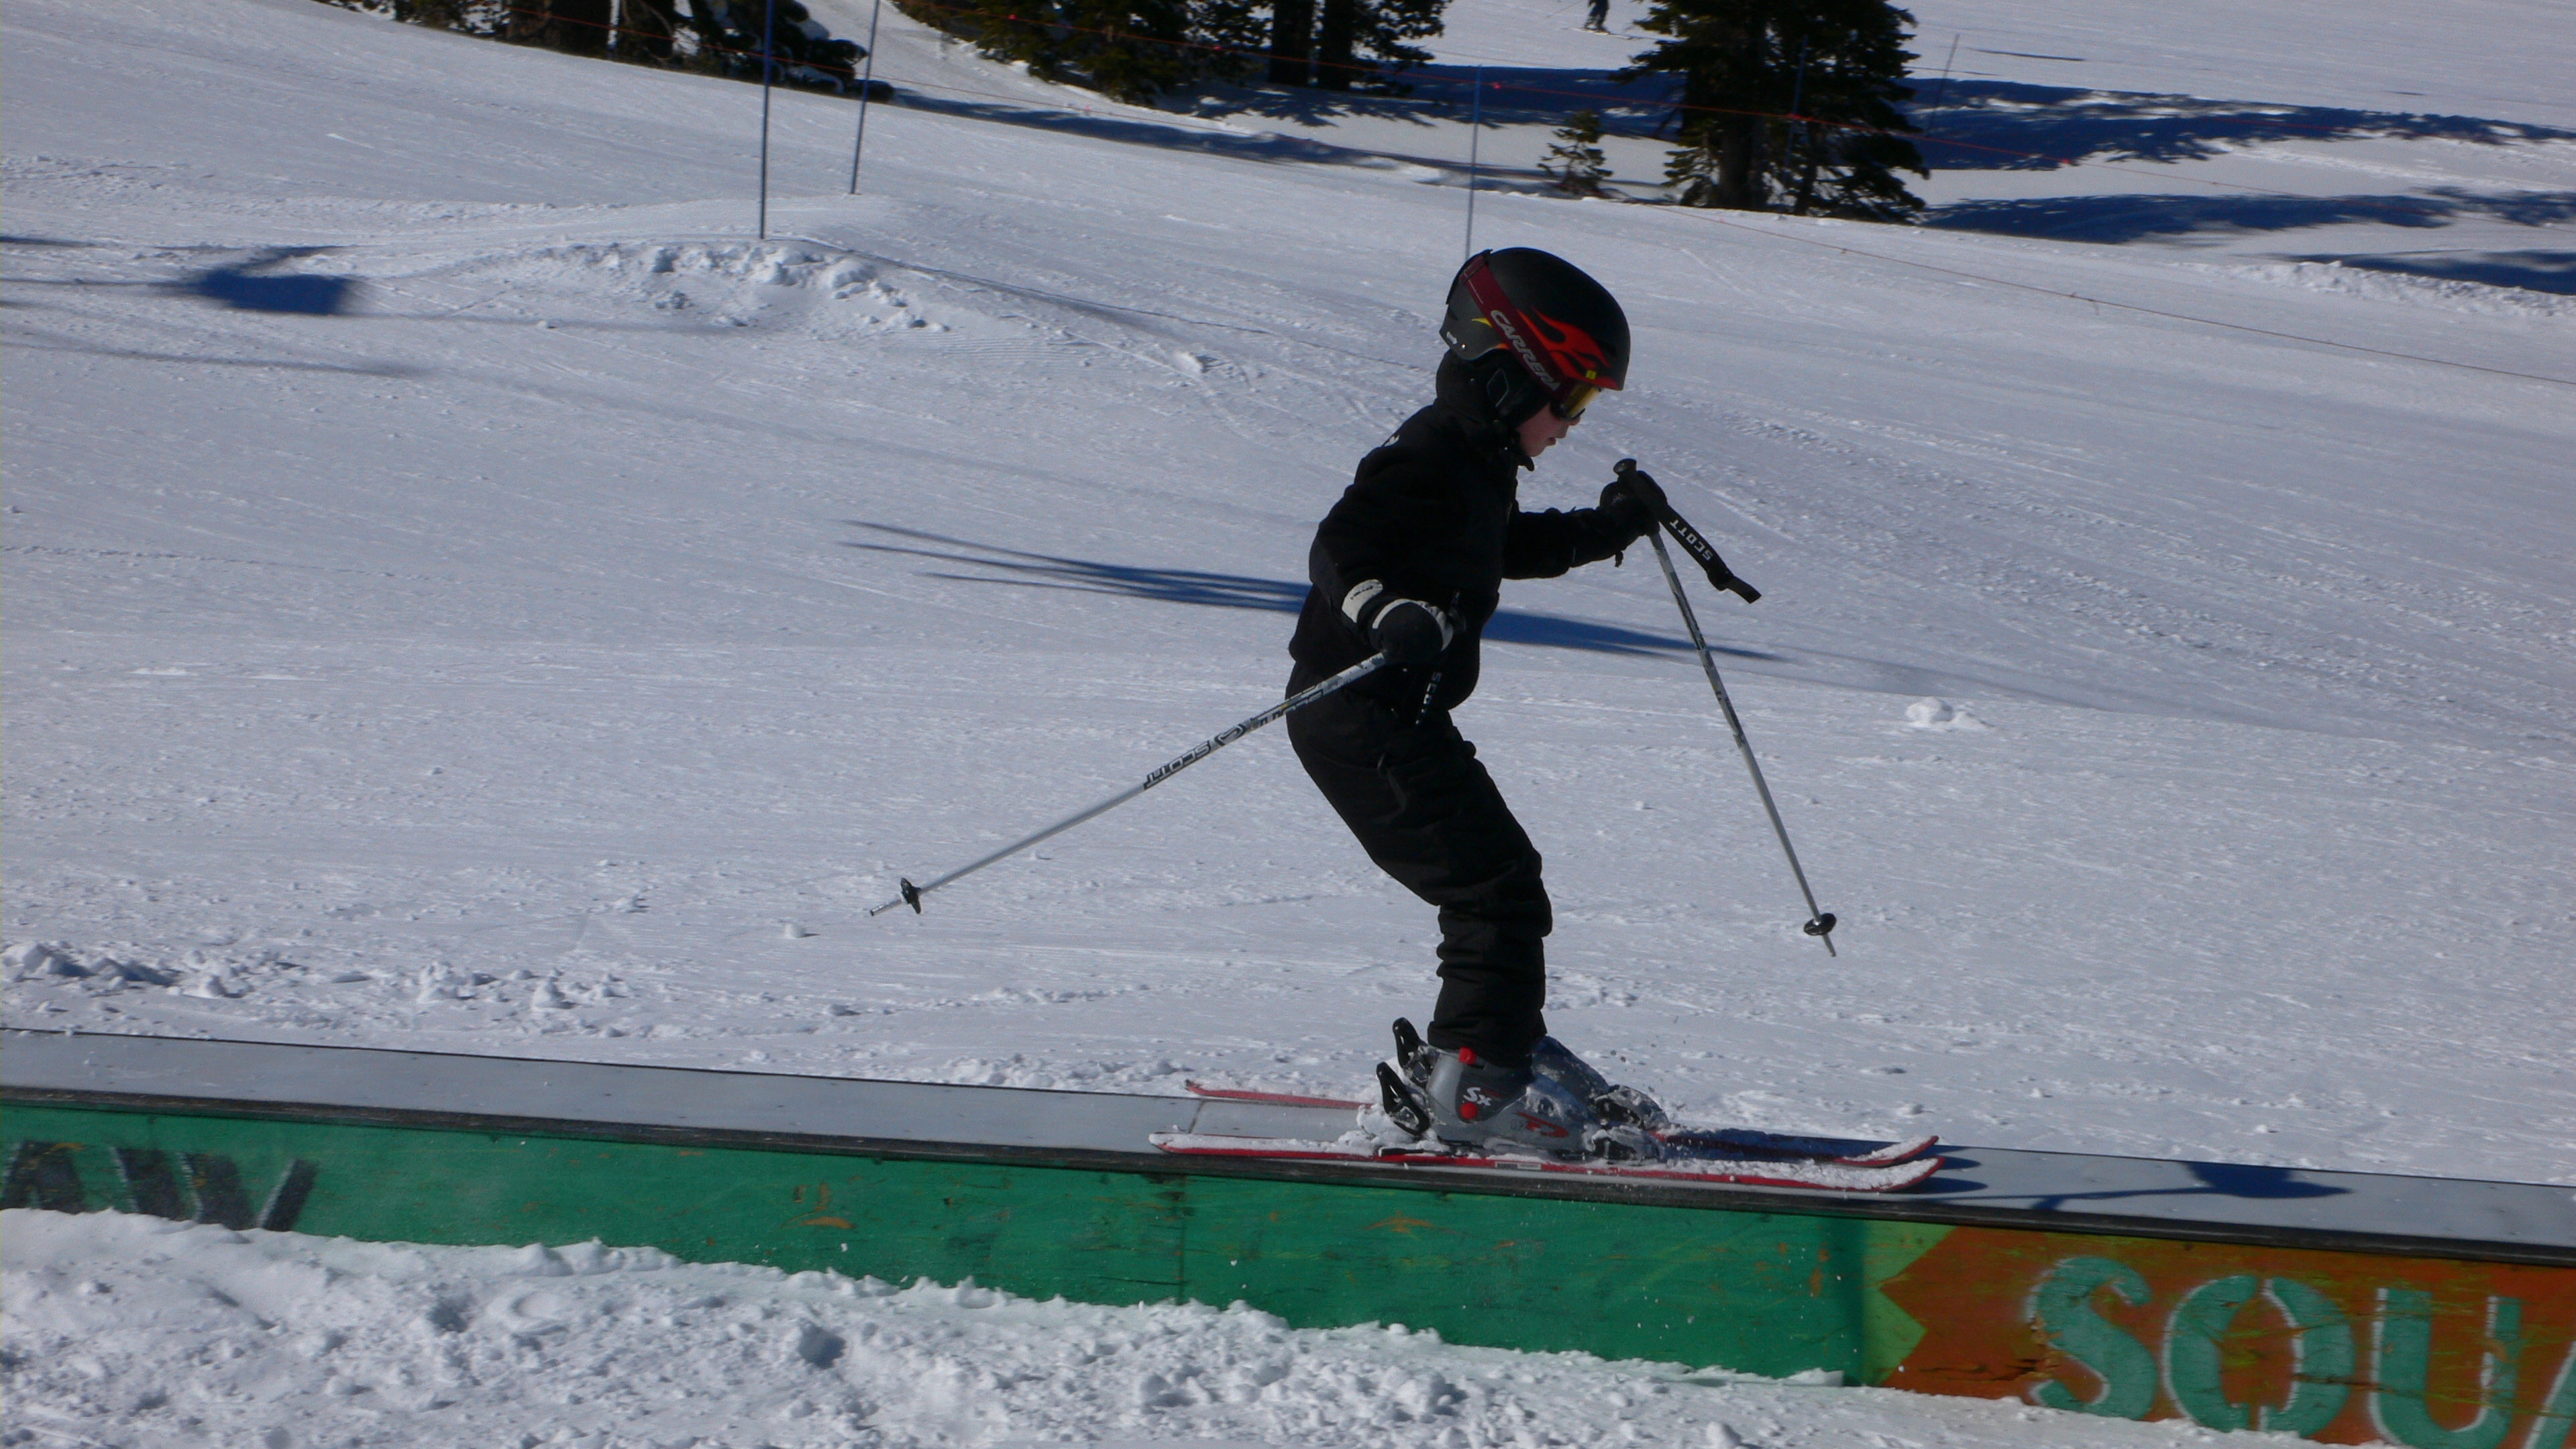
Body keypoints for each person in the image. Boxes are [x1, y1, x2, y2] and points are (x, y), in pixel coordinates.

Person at [1286, 248, 1673, 1159]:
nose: (1572, 425)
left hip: (1404, 718)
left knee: (1503, 878)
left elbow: (1498, 547)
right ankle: (1478, 1080)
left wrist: (1611, 527)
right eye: (1572, 399)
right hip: (1361, 717)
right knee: (1494, 890)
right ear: (1512, 376)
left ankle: (1495, 1050)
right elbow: (1341, 543)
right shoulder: (1425, 456)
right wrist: (1382, 609)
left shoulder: (1477, 460)